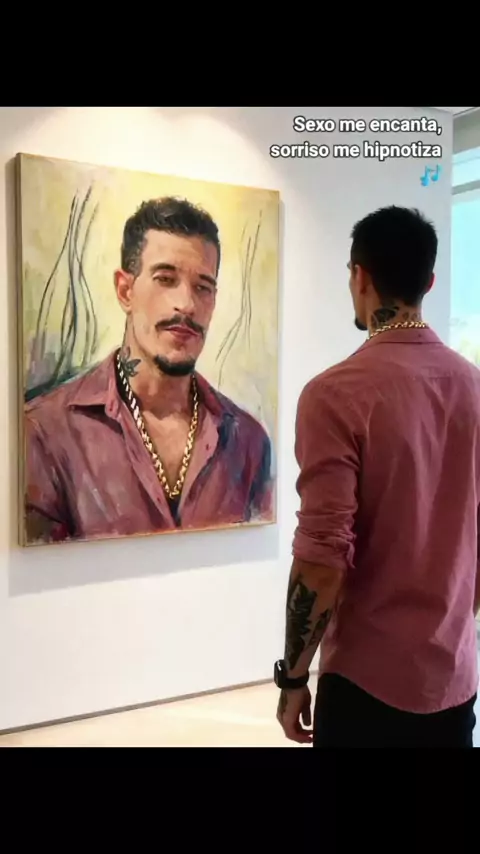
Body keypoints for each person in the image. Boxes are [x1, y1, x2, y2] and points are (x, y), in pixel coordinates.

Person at [275, 205, 480, 748]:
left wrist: (293, 677)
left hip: (365, 685)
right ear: (428, 282)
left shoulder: (334, 394)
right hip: (453, 680)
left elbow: (321, 561)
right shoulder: (475, 388)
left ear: (359, 276)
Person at [24, 197, 273, 545]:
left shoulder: (248, 441)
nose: (186, 305)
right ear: (125, 290)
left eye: (203, 287)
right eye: (165, 279)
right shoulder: (46, 432)